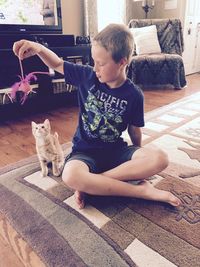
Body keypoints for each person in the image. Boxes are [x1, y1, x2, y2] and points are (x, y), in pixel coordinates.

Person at [13, 24, 181, 209]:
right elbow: (57, 64)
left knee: (160, 158)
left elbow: (134, 130)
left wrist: (138, 163)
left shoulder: (134, 95)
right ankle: (141, 191)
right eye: (94, 61)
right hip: (85, 152)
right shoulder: (87, 76)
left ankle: (93, 183)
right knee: (70, 176)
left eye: (100, 63)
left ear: (122, 62)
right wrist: (39, 48)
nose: (95, 68)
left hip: (116, 152)